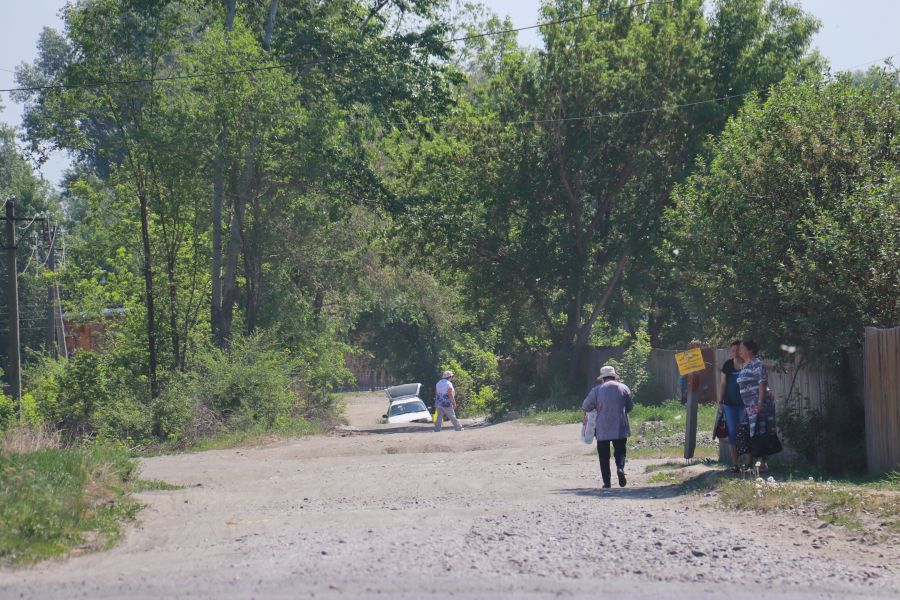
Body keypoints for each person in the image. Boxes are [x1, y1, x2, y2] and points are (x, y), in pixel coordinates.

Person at [582, 365, 633, 488]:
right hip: (620, 426)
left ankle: (607, 482)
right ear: (614, 376)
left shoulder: (597, 390)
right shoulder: (624, 388)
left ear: (602, 378)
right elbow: (630, 407)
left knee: (604, 456)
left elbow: (586, 406)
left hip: (602, 428)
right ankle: (620, 468)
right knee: (620, 451)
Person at [736, 340, 776, 470]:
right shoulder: (745, 365)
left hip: (758, 404)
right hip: (749, 406)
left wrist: (760, 402)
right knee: (752, 432)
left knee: (761, 431)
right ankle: (753, 463)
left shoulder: (757, 364)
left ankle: (763, 463)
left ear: (750, 350)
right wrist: (746, 407)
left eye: (741, 348)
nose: (739, 351)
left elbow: (762, 382)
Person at [719, 340, 746, 472]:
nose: (735, 353)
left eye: (737, 350)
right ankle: (735, 464)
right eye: (733, 351)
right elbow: (723, 384)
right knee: (732, 433)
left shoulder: (747, 365)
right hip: (729, 404)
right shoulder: (727, 365)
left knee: (745, 432)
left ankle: (748, 463)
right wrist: (720, 402)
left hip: (744, 405)